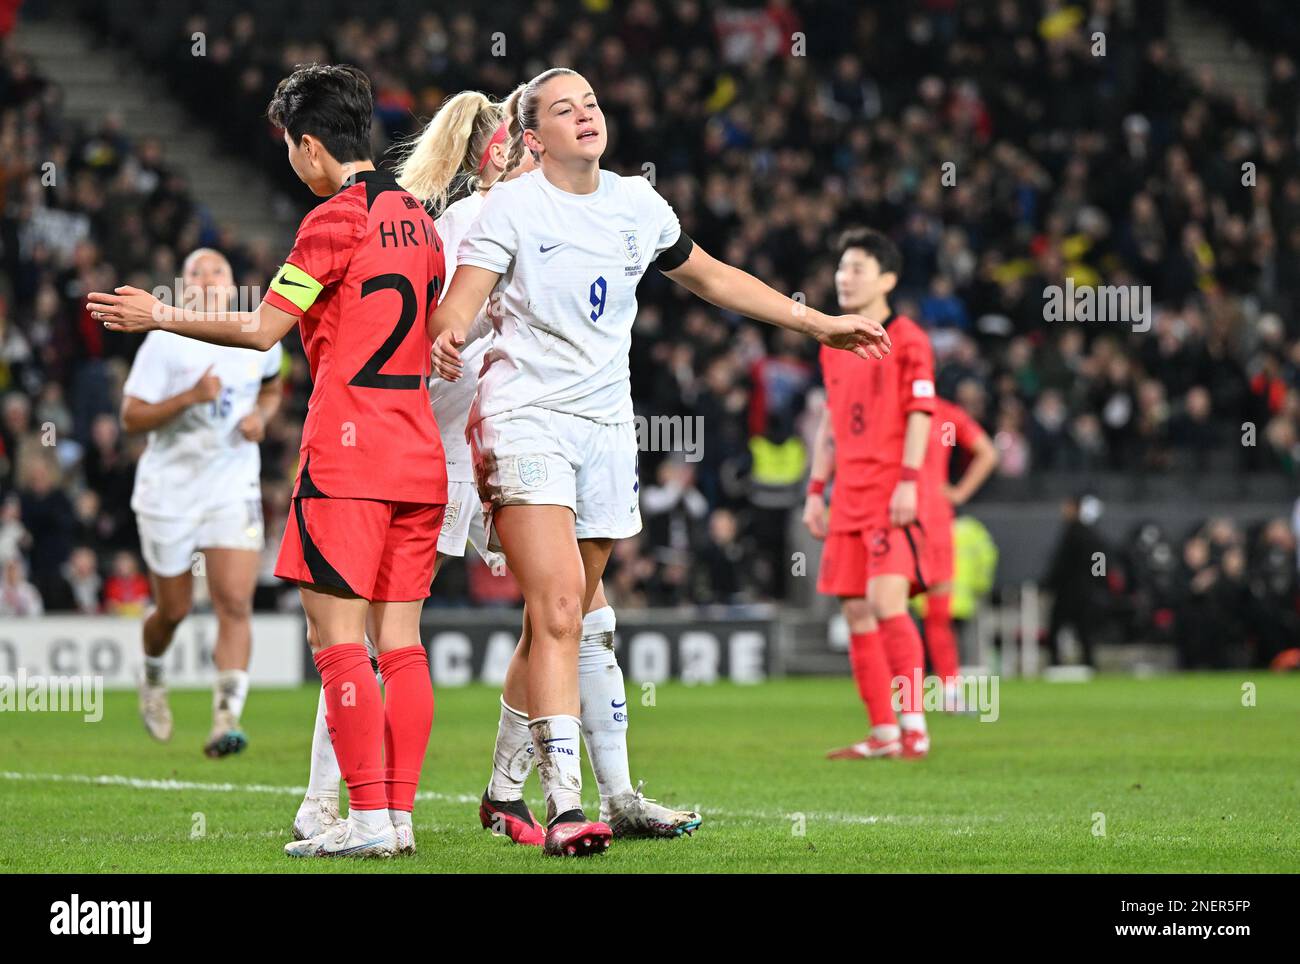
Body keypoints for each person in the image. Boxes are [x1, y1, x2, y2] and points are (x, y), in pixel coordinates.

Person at [428, 67, 888, 855]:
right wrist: (448, 332)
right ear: (531, 138)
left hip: (607, 431)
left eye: (594, 103)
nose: (587, 115)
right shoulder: (507, 208)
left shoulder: (637, 204)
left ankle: (504, 788)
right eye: (565, 109)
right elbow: (460, 304)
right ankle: (567, 806)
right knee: (564, 611)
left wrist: (814, 323)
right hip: (524, 421)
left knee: (561, 617)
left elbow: (713, 278)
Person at [90, 64, 446, 859]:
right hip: (419, 454)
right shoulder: (419, 221)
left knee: (339, 641)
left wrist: (161, 314)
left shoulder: (331, 220)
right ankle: (398, 817)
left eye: (290, 146)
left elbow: (261, 332)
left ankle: (365, 820)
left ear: (312, 147)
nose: (291, 160)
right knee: (404, 645)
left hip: (349, 457)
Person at [120, 247, 283, 757]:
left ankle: (225, 719)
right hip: (169, 489)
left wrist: (263, 415)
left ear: (233, 284)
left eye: (219, 270)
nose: (209, 279)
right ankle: (151, 675)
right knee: (174, 609)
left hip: (230, 484)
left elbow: (274, 386)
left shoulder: (256, 334)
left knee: (235, 602)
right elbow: (130, 418)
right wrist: (189, 397)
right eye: (198, 272)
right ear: (184, 286)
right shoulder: (164, 343)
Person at [803, 228, 935, 760]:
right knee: (856, 614)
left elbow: (921, 412)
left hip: (889, 490)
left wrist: (908, 480)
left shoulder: (911, 339)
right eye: (841, 267)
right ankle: (882, 733)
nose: (844, 276)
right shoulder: (835, 344)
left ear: (888, 278)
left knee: (886, 603)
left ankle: (915, 726)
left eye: (857, 267)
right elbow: (830, 424)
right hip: (847, 495)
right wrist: (816, 490)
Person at [916, 394, 998, 706]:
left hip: (904, 514)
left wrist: (959, 492)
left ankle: (910, 691)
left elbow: (988, 454)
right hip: (929, 517)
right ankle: (946, 690)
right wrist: (958, 493)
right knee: (935, 613)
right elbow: (987, 453)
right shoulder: (946, 414)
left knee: (903, 609)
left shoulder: (895, 406)